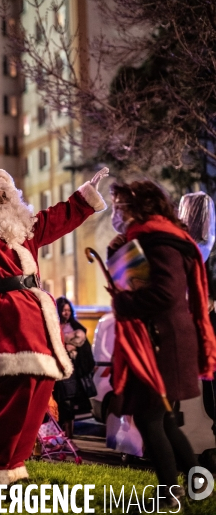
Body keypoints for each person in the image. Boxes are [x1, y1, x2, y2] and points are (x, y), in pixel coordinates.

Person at [0, 150, 108, 486]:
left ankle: (14, 468)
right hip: (4, 313)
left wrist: (85, 196)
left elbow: (56, 218)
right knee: (11, 392)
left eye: (5, 190)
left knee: (38, 390)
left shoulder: (24, 230)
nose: (0, 195)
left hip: (35, 315)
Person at [107, 180, 216, 509]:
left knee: (150, 418)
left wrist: (125, 303)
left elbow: (165, 293)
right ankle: (199, 486)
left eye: (121, 205)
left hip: (159, 341)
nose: (117, 212)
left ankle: (171, 494)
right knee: (164, 419)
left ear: (140, 206)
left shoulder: (157, 240)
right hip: (162, 338)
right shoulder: (161, 236)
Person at [53, 297, 95, 439]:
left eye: (69, 310)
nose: (67, 313)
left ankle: (68, 437)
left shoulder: (77, 329)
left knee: (68, 405)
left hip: (70, 374)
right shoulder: (53, 327)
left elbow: (85, 353)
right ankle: (57, 436)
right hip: (55, 372)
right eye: (64, 310)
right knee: (56, 404)